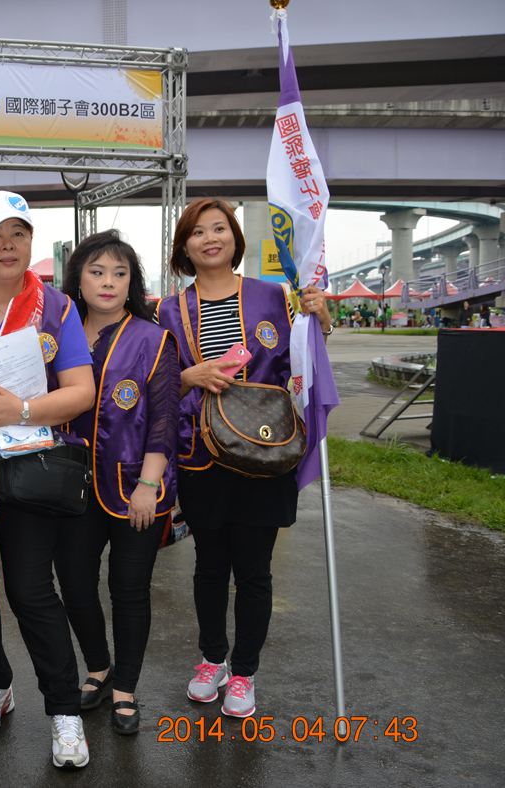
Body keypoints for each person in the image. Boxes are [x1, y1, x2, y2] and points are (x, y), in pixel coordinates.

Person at [156, 198, 331, 719]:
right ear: (184, 247)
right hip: (202, 456)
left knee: (254, 570)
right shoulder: (169, 310)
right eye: (197, 232)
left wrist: (322, 322)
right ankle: (212, 659)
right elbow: (159, 384)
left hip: (264, 451)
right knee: (209, 566)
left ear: (235, 237)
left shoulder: (274, 296)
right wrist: (189, 376)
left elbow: (303, 362)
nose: (210, 238)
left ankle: (245, 672)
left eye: (219, 228)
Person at [0, 191, 96, 769]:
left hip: (30, 467)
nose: (8, 245)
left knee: (31, 591)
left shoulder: (55, 305)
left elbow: (81, 391)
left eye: (19, 233)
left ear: (31, 240)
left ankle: (64, 711)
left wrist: (23, 411)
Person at [52, 230, 179, 736]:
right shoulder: (56, 334)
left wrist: (149, 483)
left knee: (129, 589)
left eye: (120, 273)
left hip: (134, 488)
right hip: (70, 487)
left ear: (132, 283)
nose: (108, 282)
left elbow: (165, 420)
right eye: (97, 272)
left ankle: (125, 686)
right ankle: (99, 667)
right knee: (74, 583)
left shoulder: (154, 340)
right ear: (78, 280)